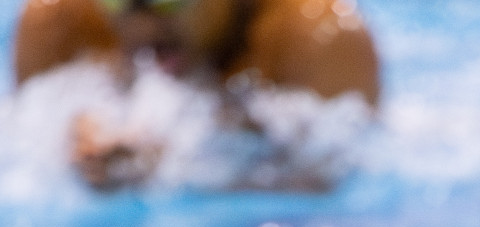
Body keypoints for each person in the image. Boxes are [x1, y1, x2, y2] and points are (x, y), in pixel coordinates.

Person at [12, 0, 380, 189]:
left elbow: (333, 182)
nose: (142, 23)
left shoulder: (317, 39)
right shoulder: (60, 22)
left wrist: (172, 167)